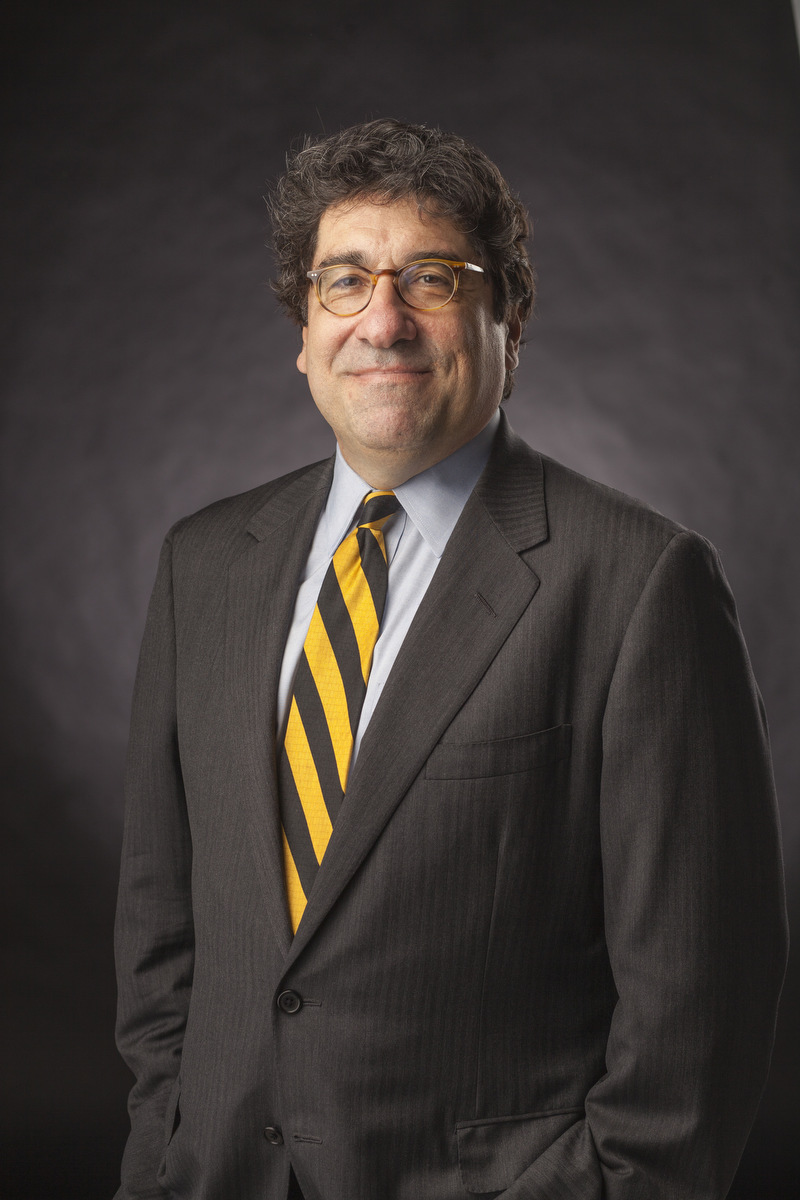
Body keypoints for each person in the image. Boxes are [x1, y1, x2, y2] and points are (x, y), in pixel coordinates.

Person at [113, 119, 787, 1200]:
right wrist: (159, 1158)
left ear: (508, 319)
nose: (382, 321)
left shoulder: (639, 582)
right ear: (303, 333)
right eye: (344, 282)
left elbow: (698, 1003)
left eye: (430, 279)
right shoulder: (204, 564)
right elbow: (161, 933)